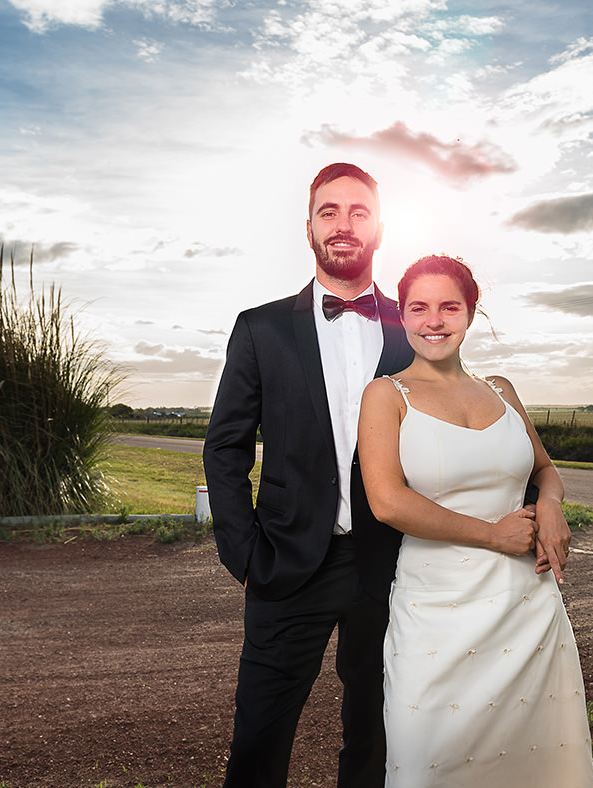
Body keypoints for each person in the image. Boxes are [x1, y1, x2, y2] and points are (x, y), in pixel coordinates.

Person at [202, 162, 415, 788]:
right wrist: (244, 554)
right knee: (258, 740)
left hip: (392, 565)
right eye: (329, 211)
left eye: (358, 211)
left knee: (378, 736)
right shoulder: (260, 328)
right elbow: (226, 448)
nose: (343, 224)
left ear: (379, 228)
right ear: (309, 228)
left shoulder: (413, 328)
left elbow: (456, 426)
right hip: (286, 564)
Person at [357, 254, 593, 787]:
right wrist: (492, 534)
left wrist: (551, 504)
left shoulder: (502, 389)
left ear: (471, 312)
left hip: (528, 605)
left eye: (449, 307)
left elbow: (544, 469)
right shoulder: (386, 395)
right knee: (431, 761)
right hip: (436, 611)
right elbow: (388, 502)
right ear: (402, 315)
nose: (433, 321)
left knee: (535, 759)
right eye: (418, 308)